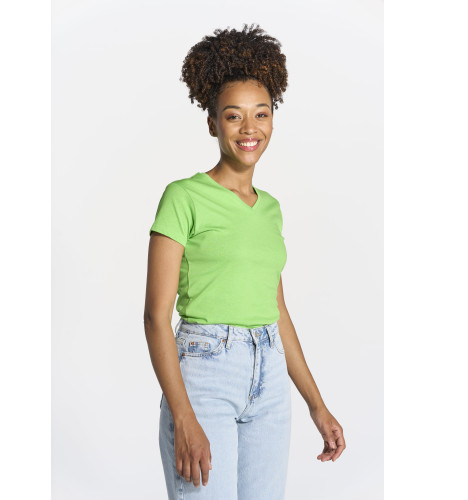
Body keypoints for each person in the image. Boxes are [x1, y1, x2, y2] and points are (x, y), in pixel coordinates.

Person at [144, 23, 346, 500]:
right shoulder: (183, 197)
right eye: (234, 116)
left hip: (271, 380)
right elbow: (155, 316)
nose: (249, 128)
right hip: (204, 375)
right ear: (212, 123)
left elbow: (277, 312)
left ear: (273, 119)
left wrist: (317, 405)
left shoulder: (270, 208)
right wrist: (183, 415)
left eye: (262, 114)